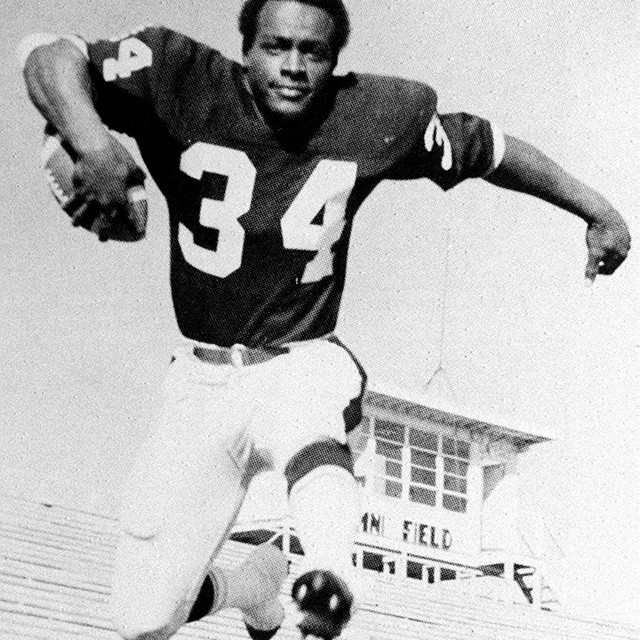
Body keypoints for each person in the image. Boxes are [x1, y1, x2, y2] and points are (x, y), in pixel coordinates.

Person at [19, 0, 630, 639]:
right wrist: (92, 141)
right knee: (142, 619)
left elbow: (487, 149)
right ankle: (253, 586)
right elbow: (48, 53)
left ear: (335, 60)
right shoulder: (181, 78)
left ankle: (333, 575)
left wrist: (597, 208)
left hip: (302, 354)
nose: (293, 66)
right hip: (201, 378)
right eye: (276, 46)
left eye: (313, 51)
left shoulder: (372, 115)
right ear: (246, 49)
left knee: (310, 417)